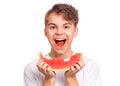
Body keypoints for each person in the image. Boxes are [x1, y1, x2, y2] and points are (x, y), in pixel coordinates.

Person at [24, 3, 102, 86]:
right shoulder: (32, 69)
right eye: (53, 27)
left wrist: (71, 78)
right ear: (46, 32)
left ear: (75, 31)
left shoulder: (90, 67)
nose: (59, 32)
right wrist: (49, 79)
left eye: (66, 27)